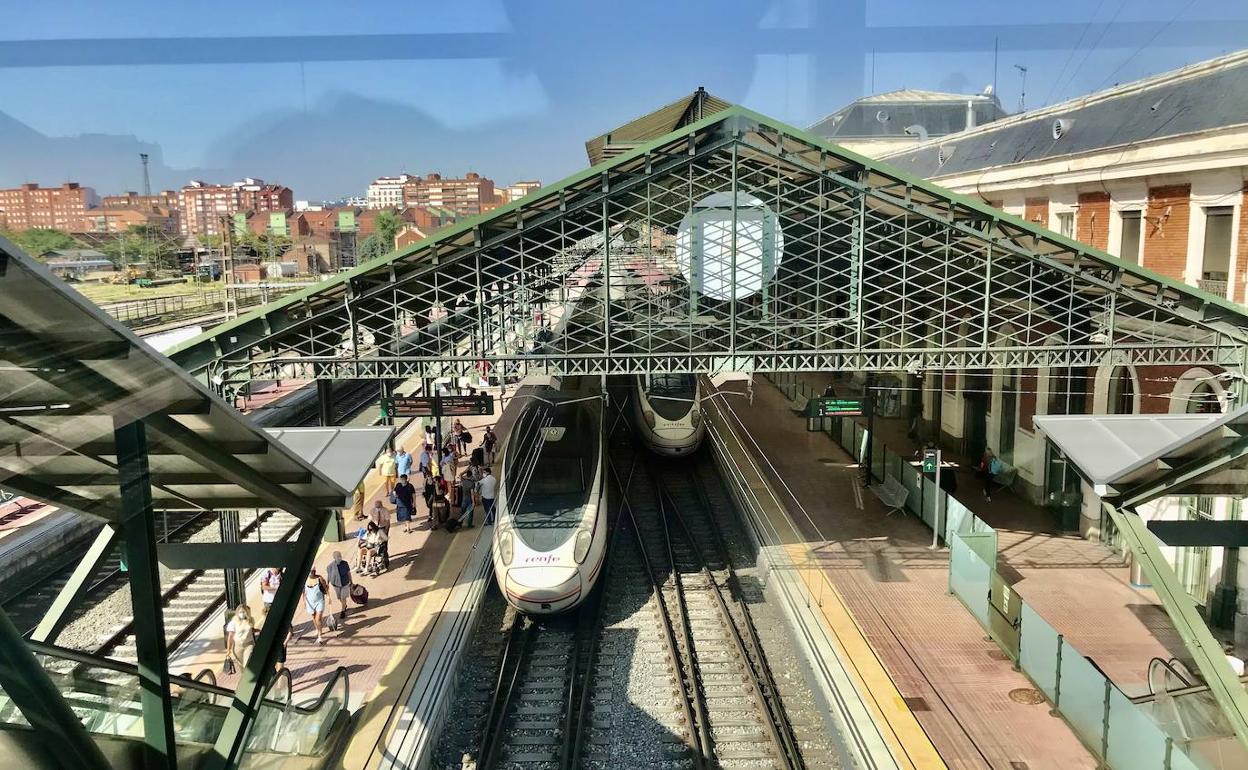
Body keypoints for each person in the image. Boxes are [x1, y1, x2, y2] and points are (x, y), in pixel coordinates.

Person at [225, 603, 256, 672]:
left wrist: (257, 630)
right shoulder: (233, 622)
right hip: (237, 647)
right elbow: (230, 636)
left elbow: (251, 630)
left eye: (243, 612)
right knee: (242, 668)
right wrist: (228, 650)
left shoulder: (250, 620)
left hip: (249, 644)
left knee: (247, 665)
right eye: (240, 612)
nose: (242, 614)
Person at [325, 551, 352, 624]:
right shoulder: (330, 566)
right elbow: (328, 576)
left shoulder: (345, 563)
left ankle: (343, 611)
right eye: (338, 557)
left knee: (343, 597)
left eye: (340, 556)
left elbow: (348, 573)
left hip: (345, 584)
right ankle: (344, 605)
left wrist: (351, 581)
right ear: (334, 558)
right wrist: (327, 584)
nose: (339, 558)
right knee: (339, 597)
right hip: (336, 585)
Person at [304, 569, 329, 645]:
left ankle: (320, 636)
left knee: (318, 619)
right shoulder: (305, 580)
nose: (311, 573)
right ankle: (318, 629)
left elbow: (325, 587)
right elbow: (303, 592)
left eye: (312, 571)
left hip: (319, 601)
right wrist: (304, 602)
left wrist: (329, 596)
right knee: (314, 618)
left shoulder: (319, 578)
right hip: (310, 602)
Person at [368, 500, 391, 568]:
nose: (377, 508)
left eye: (379, 506)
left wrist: (386, 531)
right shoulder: (372, 511)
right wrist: (370, 530)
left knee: (383, 543)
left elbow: (387, 522)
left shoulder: (385, 511)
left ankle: (384, 555)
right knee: (374, 541)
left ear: (381, 505)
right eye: (376, 506)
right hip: (375, 528)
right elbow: (370, 521)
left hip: (383, 527)